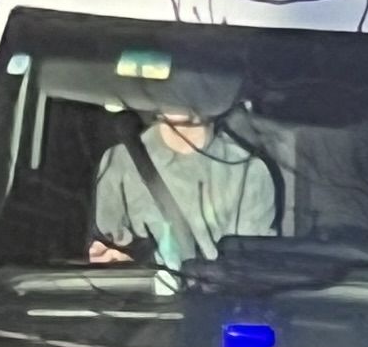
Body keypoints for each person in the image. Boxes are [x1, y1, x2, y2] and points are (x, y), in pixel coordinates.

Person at [89, 82, 283, 268]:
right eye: (170, 81)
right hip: (140, 299)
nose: (178, 91)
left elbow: (247, 267)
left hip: (213, 299)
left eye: (189, 82)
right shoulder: (121, 161)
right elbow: (106, 255)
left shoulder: (248, 172)